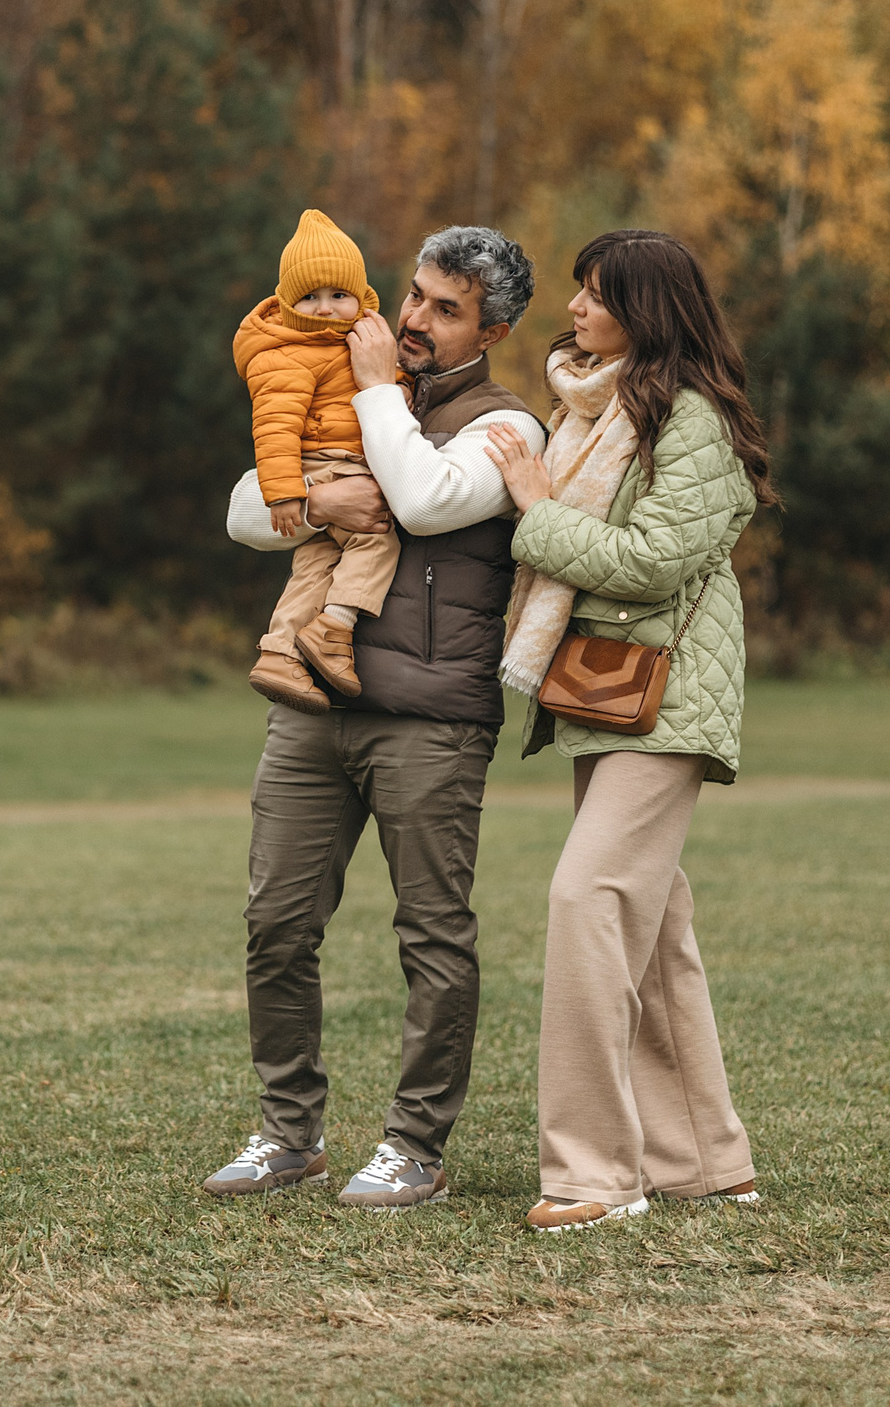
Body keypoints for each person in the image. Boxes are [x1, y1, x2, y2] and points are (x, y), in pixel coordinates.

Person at [200, 225, 547, 1210]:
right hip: (312, 699)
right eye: (413, 296)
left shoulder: (508, 427)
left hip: (431, 719)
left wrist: (366, 404)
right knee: (274, 921)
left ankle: (416, 1148)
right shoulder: (337, 379)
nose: (411, 320)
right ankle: (287, 1132)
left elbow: (427, 501)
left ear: (497, 328)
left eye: (445, 309)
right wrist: (315, 500)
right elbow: (239, 511)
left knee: (430, 935)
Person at [483, 228, 778, 1235]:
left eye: (595, 295)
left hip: (667, 701)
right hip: (606, 693)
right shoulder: (600, 411)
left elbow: (650, 562)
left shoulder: (691, 421)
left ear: (646, 313)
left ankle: (595, 1176)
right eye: (576, 292)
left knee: (587, 897)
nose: (573, 310)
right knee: (651, 934)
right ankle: (702, 1161)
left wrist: (532, 508)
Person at [234, 210, 398, 710]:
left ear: (362, 300)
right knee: (376, 537)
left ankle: (280, 653)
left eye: (338, 295)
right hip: (327, 464)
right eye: (310, 297)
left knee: (316, 562)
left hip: (336, 462)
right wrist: (286, 493)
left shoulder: (352, 343)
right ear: (288, 303)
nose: (326, 309)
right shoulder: (286, 352)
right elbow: (274, 428)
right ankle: (333, 628)